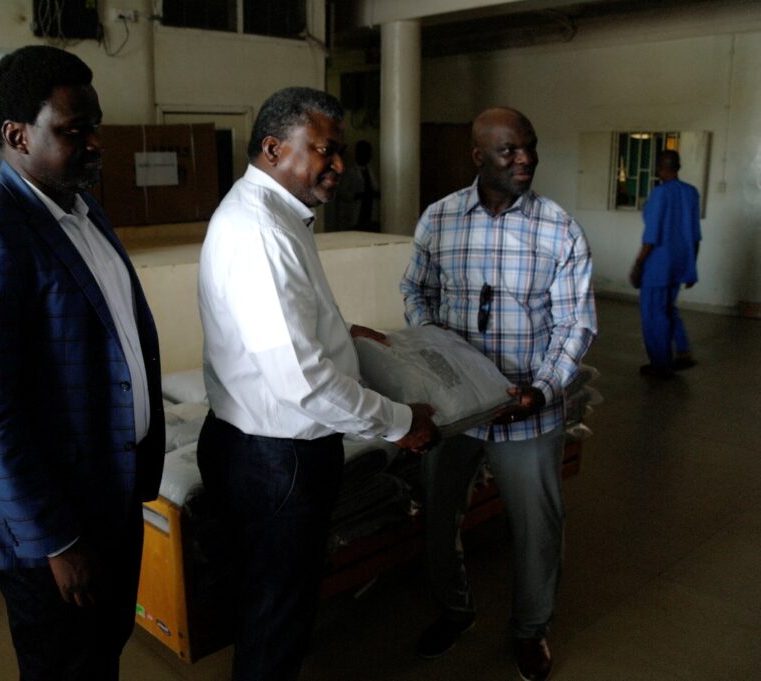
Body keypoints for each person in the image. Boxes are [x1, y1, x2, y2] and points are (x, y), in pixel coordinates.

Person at [0, 46, 164, 681]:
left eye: (96, 125)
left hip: (110, 494)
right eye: (73, 129)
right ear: (17, 136)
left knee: (102, 653)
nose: (95, 143)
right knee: (65, 668)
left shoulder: (82, 211)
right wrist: (58, 542)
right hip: (53, 527)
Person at [197, 86, 438, 681]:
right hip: (278, 460)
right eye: (323, 150)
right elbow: (304, 383)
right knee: (278, 612)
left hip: (255, 447)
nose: (338, 164)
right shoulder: (261, 230)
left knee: (267, 600)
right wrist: (401, 423)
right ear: (274, 148)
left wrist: (339, 330)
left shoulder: (274, 213)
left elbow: (283, 325)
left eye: (338, 151)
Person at [400, 107, 596, 681]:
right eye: (509, 150)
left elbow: (575, 323)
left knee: (537, 529)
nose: (525, 158)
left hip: (525, 409)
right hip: (456, 409)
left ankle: (530, 630)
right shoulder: (440, 219)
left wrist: (543, 388)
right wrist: (435, 346)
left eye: (529, 146)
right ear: (477, 156)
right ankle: (454, 610)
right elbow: (416, 289)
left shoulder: (558, 228)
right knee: (439, 515)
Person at [629, 149, 701, 377]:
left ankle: (661, 365)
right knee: (669, 308)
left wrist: (638, 265)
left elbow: (651, 236)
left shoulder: (660, 194)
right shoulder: (691, 192)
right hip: (679, 264)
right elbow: (695, 236)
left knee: (654, 315)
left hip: (658, 266)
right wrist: (691, 268)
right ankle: (683, 352)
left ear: (660, 168)